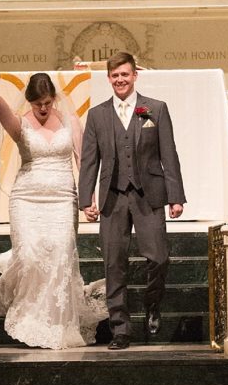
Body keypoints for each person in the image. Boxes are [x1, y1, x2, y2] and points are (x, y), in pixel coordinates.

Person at [0, 69, 107, 349]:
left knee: (60, 254)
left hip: (61, 199)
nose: (43, 109)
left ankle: (56, 320)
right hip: (26, 199)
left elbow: (83, 162)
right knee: (31, 256)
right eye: (37, 104)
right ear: (30, 101)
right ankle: (31, 313)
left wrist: (88, 201)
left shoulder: (70, 121)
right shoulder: (20, 124)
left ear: (54, 98)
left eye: (47, 103)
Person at [79, 51, 186, 350]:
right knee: (114, 264)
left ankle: (152, 304)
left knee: (159, 257)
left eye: (125, 74)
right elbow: (89, 160)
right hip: (112, 198)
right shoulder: (97, 114)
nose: (120, 80)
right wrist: (85, 199)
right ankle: (121, 329)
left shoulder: (155, 109)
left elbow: (169, 154)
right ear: (109, 78)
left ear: (134, 75)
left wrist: (175, 197)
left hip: (149, 194)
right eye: (115, 75)